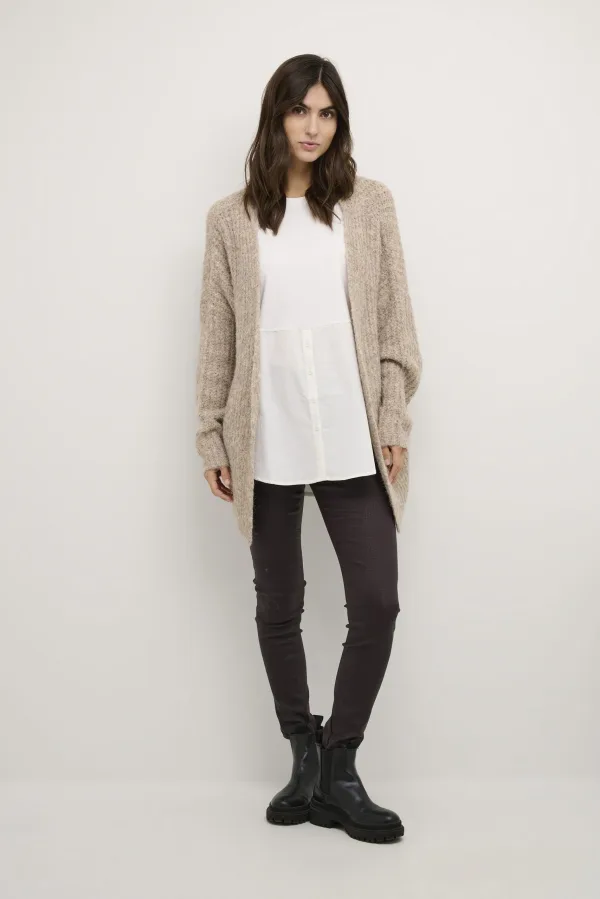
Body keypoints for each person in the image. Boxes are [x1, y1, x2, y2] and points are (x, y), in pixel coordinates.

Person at [195, 54, 422, 844]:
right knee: (278, 604)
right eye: (300, 111)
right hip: (268, 433)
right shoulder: (231, 219)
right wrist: (212, 432)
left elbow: (394, 325)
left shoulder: (370, 204)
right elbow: (218, 335)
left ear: (339, 122)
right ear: (277, 117)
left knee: (378, 601)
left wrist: (392, 420)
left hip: (352, 431)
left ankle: (340, 762)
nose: (313, 127)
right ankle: (302, 753)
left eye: (327, 113)